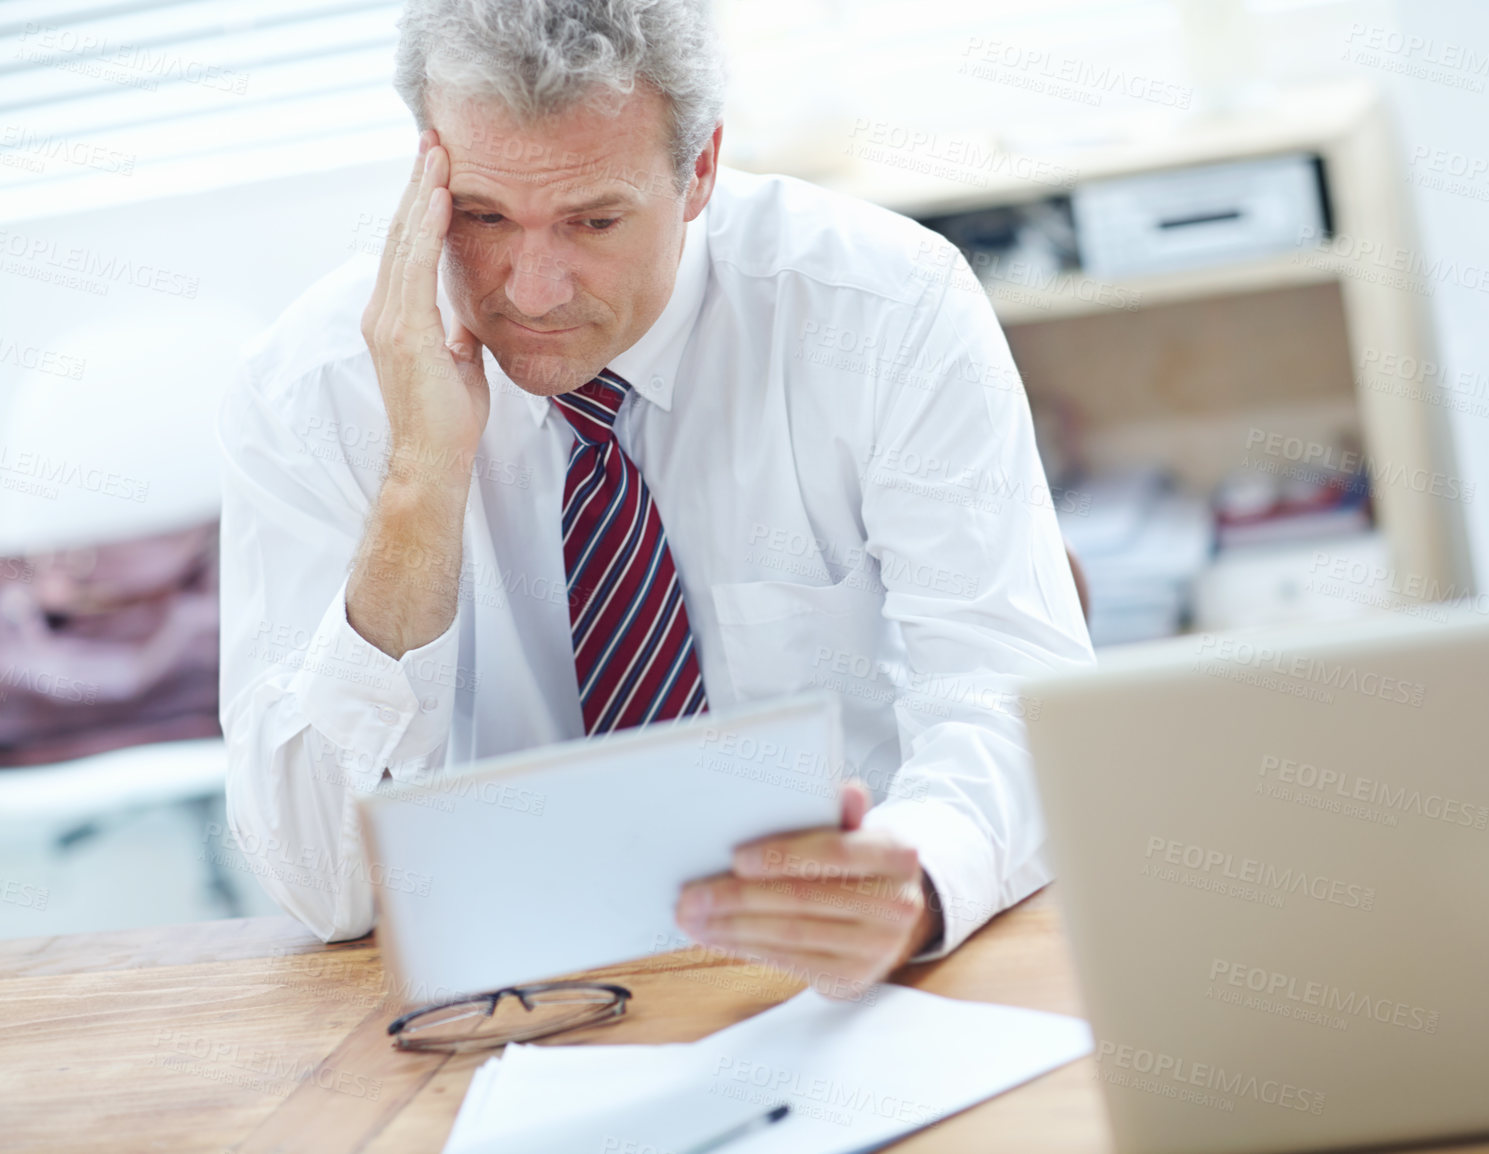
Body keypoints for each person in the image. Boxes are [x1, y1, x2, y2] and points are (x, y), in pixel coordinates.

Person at [218, 0, 1092, 993]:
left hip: (851, 975)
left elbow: (1013, 691)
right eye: (484, 215)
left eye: (594, 220)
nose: (535, 288)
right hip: (508, 997)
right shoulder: (307, 391)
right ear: (427, 164)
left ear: (701, 168)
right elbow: (319, 882)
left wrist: (916, 873)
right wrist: (419, 480)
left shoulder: (886, 309)